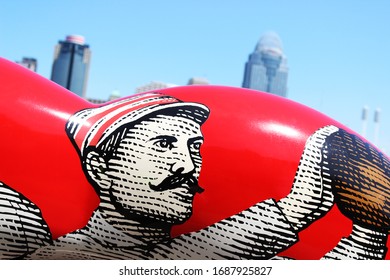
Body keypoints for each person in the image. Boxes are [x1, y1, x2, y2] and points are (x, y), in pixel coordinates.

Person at [25, 92, 389, 260]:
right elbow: (159, 264)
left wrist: (371, 229)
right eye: (165, 144)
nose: (186, 165)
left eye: (194, 148)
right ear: (100, 168)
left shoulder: (246, 263)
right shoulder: (60, 258)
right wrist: (294, 208)